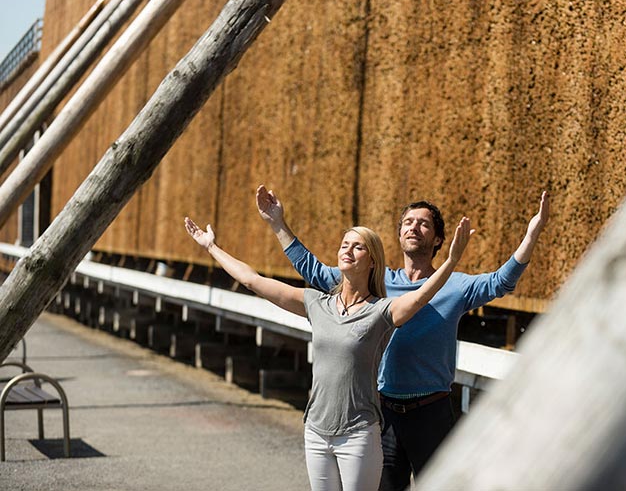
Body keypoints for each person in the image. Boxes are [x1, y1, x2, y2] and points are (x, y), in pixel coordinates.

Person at [257, 185, 550, 490]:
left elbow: (501, 282)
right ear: (399, 235)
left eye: (424, 224)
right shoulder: (375, 280)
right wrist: (277, 224)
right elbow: (314, 271)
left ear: (438, 239)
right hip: (383, 414)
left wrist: (531, 235)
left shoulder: (455, 286)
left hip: (432, 414)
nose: (414, 227)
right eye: (408, 222)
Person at [184, 211, 473, 491]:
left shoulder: (381, 311)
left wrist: (450, 262)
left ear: (372, 261)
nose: (348, 250)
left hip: (359, 434)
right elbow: (252, 280)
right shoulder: (316, 304)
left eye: (358, 246)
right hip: (316, 431)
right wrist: (211, 247)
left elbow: (420, 298)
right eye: (345, 244)